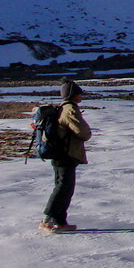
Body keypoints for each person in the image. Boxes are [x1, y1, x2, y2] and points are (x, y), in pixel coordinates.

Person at [40, 78, 92, 233]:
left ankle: (60, 221)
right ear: (73, 95)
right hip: (66, 154)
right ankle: (47, 220)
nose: (81, 96)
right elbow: (83, 133)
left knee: (64, 186)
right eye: (79, 93)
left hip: (60, 153)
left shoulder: (62, 108)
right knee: (64, 187)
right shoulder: (70, 109)